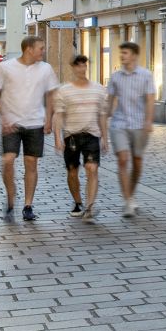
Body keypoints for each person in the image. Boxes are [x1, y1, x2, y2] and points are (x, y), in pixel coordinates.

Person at [0, 35, 60, 221]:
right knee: (8, 161)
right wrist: (3, 116)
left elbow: (51, 95)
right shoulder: (6, 67)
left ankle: (28, 205)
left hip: (35, 123)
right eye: (41, 48)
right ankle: (11, 198)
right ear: (29, 49)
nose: (43, 51)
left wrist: (49, 118)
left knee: (31, 163)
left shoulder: (46, 69)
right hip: (11, 123)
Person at [53, 54, 109, 221]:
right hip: (71, 136)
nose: (81, 69)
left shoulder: (99, 89)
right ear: (73, 68)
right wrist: (57, 138)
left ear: (86, 67)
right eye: (78, 65)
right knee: (72, 171)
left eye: (84, 65)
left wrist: (105, 137)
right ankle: (78, 202)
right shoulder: (64, 90)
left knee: (92, 168)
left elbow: (103, 115)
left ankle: (90, 206)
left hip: (91, 135)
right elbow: (59, 116)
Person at [106, 42, 157, 216]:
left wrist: (149, 121)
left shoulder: (145, 75)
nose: (122, 56)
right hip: (119, 124)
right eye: (121, 53)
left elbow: (150, 99)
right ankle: (127, 201)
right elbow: (110, 99)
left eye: (125, 53)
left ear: (134, 55)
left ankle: (131, 194)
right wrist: (104, 117)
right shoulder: (115, 77)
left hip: (139, 124)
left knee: (137, 162)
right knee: (122, 159)